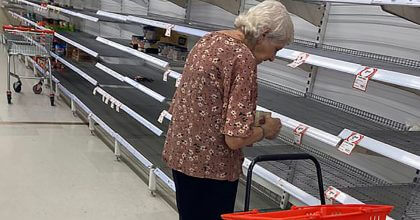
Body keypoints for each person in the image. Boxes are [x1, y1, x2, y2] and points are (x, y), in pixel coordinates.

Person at [162, 1, 294, 219]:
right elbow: (233, 139)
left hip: (182, 158)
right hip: (212, 170)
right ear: (264, 34)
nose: (273, 57)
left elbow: (198, 104)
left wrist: (250, 119)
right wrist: (266, 130)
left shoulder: (209, 40)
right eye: (276, 49)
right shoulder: (243, 59)